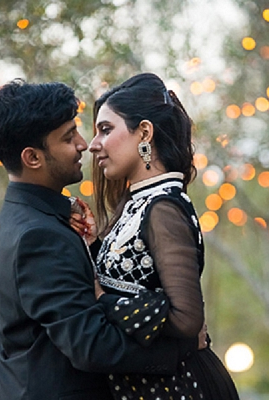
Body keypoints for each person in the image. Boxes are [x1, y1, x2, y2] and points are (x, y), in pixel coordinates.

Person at [0, 79, 201, 400]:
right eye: (69, 138)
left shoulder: (27, 218)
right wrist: (184, 349)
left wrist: (94, 246)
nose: (85, 144)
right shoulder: (39, 235)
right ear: (33, 158)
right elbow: (92, 346)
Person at [86, 72, 240, 399]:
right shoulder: (138, 202)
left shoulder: (163, 208)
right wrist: (91, 243)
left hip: (180, 387)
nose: (93, 144)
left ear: (144, 132)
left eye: (105, 129)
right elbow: (139, 279)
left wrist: (103, 302)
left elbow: (186, 319)